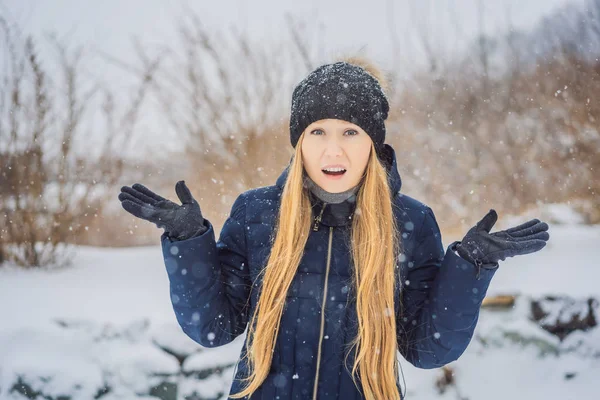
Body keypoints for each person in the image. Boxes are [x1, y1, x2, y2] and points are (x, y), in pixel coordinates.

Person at [118, 58, 550, 400]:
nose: (333, 149)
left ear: (373, 143)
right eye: (317, 130)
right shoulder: (256, 213)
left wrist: (469, 268)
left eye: (350, 131)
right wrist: (188, 243)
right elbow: (212, 328)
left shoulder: (411, 222)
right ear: (299, 141)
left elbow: (428, 348)